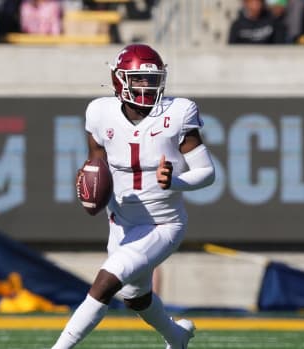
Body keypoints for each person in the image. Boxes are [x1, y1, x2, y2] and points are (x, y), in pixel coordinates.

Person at [50, 44, 215, 349]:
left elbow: (207, 172)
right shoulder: (100, 112)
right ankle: (177, 337)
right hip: (121, 223)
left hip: (162, 225)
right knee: (135, 298)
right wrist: (88, 183)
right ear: (119, 80)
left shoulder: (178, 112)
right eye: (138, 79)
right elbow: (95, 165)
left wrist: (175, 181)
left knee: (105, 283)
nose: (146, 87)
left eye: (151, 80)